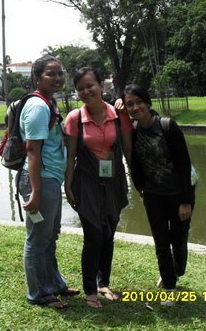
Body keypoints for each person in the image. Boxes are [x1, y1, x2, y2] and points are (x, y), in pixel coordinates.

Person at [64, 67, 132, 308]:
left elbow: (128, 150)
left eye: (90, 85)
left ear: (101, 85)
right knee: (93, 237)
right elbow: (71, 155)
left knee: (108, 235)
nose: (85, 91)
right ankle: (90, 290)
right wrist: (68, 186)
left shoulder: (118, 114)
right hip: (86, 183)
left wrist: (136, 180)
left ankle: (104, 282)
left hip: (113, 183)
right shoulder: (74, 118)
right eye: (80, 88)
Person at [122, 84, 195, 306]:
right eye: (129, 104)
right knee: (162, 244)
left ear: (147, 102)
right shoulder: (132, 131)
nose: (135, 108)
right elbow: (133, 163)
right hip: (153, 196)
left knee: (178, 242)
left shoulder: (167, 126)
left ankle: (175, 271)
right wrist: (141, 188)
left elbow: (185, 166)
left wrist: (186, 201)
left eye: (138, 102)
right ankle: (170, 287)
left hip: (179, 194)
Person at [19, 55, 79, 309]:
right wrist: (35, 191)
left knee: (50, 236)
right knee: (37, 239)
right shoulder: (38, 107)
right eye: (50, 74)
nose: (57, 78)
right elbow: (33, 151)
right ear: (37, 78)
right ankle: (38, 294)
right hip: (39, 180)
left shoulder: (49, 103)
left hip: (50, 178)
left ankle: (54, 284)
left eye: (59, 73)